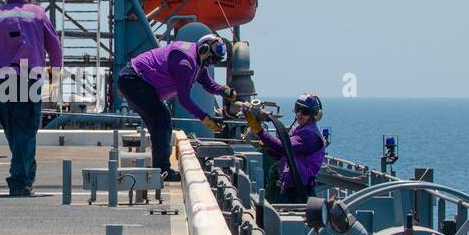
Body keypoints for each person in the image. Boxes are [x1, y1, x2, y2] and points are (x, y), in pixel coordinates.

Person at [0, 0, 62, 197]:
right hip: (28, 77)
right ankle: (20, 179)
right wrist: (55, 69)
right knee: (26, 129)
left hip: (2, 78)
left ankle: (23, 174)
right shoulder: (39, 14)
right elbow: (55, 46)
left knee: (12, 128)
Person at [117, 34, 234, 182]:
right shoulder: (185, 62)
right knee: (162, 118)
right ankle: (162, 169)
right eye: (210, 60)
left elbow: (208, 83)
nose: (209, 64)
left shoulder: (199, 60)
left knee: (159, 123)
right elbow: (184, 99)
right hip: (134, 79)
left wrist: (224, 91)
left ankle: (160, 169)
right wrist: (205, 118)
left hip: (139, 82)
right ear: (205, 49)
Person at [246, 93, 327, 202]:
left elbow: (284, 148)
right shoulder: (299, 129)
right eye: (298, 109)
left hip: (299, 192)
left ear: (314, 115)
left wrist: (260, 131)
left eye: (305, 112)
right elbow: (283, 155)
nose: (299, 114)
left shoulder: (309, 135)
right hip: (289, 188)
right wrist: (268, 147)